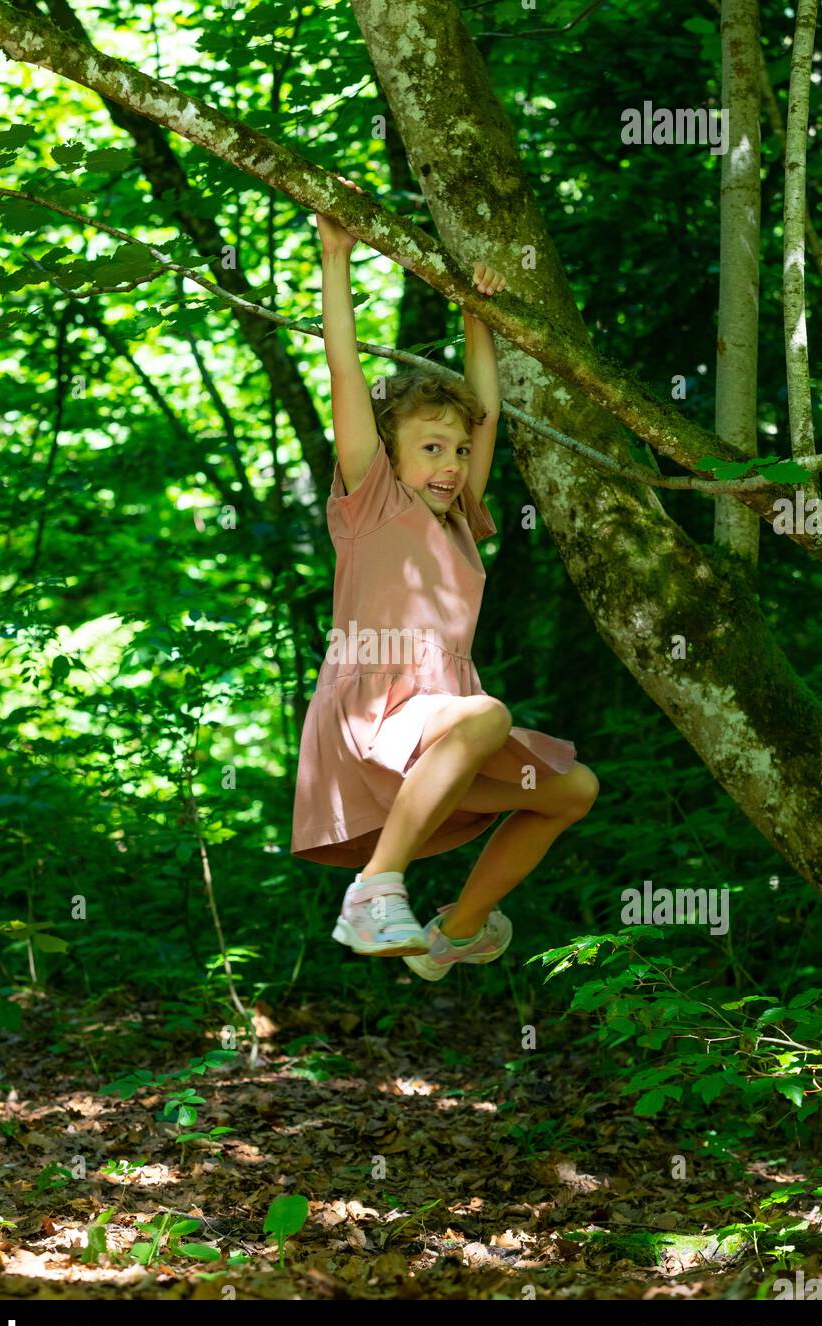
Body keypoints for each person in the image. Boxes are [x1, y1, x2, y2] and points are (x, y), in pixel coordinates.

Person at [290, 177, 599, 981]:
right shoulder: (369, 502)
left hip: (441, 730)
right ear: (390, 454)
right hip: (373, 708)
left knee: (571, 791)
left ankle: (453, 935)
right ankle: (371, 891)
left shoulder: (460, 517)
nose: (451, 463)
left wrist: (476, 315)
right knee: (486, 715)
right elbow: (345, 373)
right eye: (431, 447)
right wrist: (335, 257)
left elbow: (483, 414)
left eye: (458, 451)